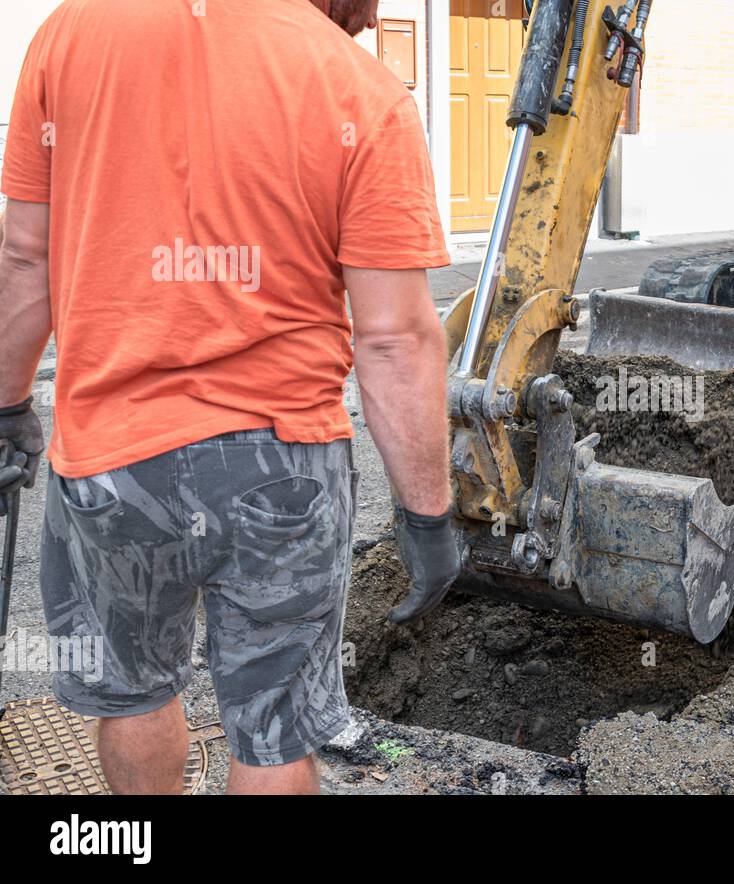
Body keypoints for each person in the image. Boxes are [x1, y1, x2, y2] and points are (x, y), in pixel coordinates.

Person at [0, 0, 460, 794]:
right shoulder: (361, 89)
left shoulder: (71, 31)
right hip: (283, 463)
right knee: (273, 730)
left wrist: (7, 403)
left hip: (114, 455)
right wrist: (427, 516)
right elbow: (393, 339)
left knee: (137, 691)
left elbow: (23, 254)